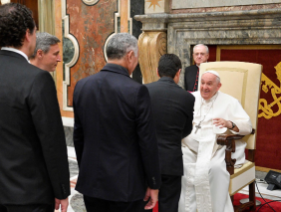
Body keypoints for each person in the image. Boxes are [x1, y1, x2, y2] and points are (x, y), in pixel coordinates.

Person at [0, 3, 70, 212]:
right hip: (30, 193)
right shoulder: (37, 79)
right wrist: (61, 189)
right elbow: (52, 141)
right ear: (28, 34)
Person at [73, 33, 161, 212]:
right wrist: (153, 182)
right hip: (126, 185)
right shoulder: (137, 91)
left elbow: (78, 136)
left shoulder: (82, 85)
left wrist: (86, 169)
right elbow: (147, 142)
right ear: (130, 56)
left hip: (92, 182)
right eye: (137, 57)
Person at [179, 70, 252, 212]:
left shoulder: (230, 102)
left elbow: (247, 126)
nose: (204, 87)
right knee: (182, 165)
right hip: (190, 147)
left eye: (209, 84)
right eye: (203, 83)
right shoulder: (190, 98)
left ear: (218, 86)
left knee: (215, 169)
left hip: (215, 149)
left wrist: (228, 123)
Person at [145, 54, 194, 212]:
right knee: (169, 206)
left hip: (145, 160)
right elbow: (187, 129)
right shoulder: (187, 98)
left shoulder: (143, 91)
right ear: (178, 72)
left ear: (158, 71)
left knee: (143, 204)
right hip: (171, 161)